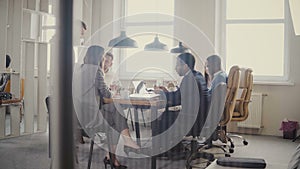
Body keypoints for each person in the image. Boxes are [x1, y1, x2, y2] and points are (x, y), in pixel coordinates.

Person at [82, 45, 140, 168]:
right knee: (115, 119)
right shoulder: (96, 71)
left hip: (79, 116)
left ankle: (112, 158)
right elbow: (106, 94)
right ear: (99, 58)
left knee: (115, 111)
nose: (104, 60)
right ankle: (125, 143)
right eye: (103, 58)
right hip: (91, 119)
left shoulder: (80, 69)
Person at [154, 53, 210, 155]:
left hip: (193, 120)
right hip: (201, 117)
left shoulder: (188, 79)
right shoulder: (198, 75)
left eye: (177, 65)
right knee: (168, 114)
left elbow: (176, 100)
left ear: (185, 66)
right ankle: (175, 146)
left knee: (161, 118)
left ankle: (163, 150)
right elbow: (180, 96)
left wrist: (162, 94)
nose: (175, 68)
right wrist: (167, 92)